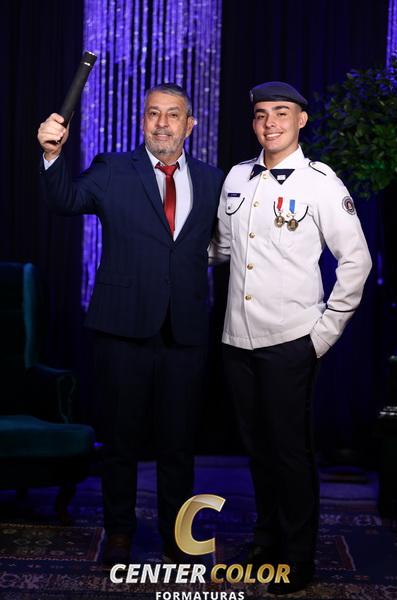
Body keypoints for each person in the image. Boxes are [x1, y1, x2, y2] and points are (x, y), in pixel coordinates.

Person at [37, 83, 224, 565]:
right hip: (122, 328)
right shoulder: (113, 169)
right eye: (153, 114)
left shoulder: (213, 180)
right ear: (143, 121)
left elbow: (223, 244)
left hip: (185, 331)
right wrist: (52, 154)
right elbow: (64, 200)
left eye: (173, 114)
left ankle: (177, 538)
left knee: (179, 446)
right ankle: (118, 534)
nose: (162, 123)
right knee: (121, 442)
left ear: (189, 125)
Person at [210, 81, 372, 594]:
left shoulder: (321, 182)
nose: (270, 123)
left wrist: (322, 334)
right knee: (257, 450)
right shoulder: (238, 176)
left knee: (289, 452)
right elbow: (221, 249)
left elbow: (357, 261)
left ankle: (297, 556)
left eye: (281, 113)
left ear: (301, 120)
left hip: (291, 340)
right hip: (237, 339)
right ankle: (266, 541)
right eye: (261, 114)